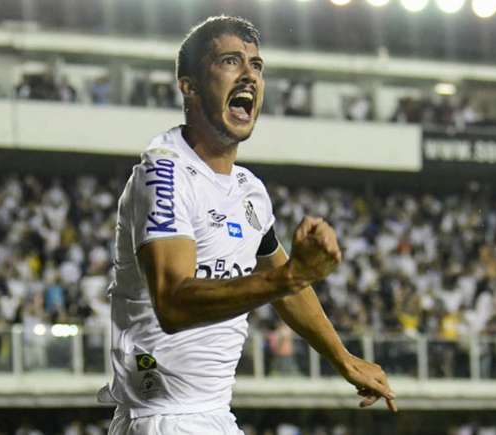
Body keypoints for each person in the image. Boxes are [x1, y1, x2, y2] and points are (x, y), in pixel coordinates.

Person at [100, 15, 397, 434]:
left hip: (214, 414)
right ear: (189, 86)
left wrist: (344, 360)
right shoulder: (163, 173)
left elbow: (280, 276)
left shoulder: (248, 190)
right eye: (230, 61)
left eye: (256, 66)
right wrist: (288, 277)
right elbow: (173, 304)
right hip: (164, 419)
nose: (249, 75)